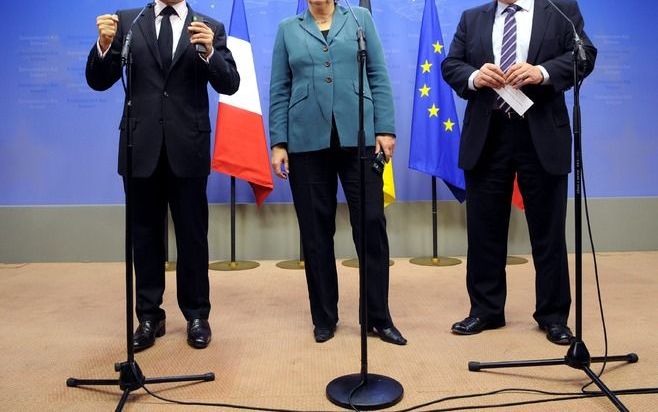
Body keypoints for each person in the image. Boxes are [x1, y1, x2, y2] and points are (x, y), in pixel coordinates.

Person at [86, 0, 239, 351]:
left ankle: (197, 315)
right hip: (141, 147)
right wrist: (105, 47)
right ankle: (149, 316)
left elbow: (230, 83)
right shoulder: (128, 21)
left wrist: (208, 54)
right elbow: (99, 81)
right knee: (145, 236)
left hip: (189, 146)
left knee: (192, 236)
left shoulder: (208, 25)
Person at [441, 0, 596, 345]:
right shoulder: (472, 18)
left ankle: (553, 316)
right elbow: (451, 65)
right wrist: (474, 76)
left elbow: (585, 55)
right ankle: (485, 310)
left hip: (540, 132)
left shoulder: (558, 10)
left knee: (548, 231)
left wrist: (541, 73)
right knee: (484, 230)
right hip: (488, 134)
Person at [269, 0, 406, 345]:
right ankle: (324, 317)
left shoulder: (359, 19)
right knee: (315, 231)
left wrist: (385, 128)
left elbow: (377, 73)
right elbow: (280, 88)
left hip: (358, 135)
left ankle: (377, 316)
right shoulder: (288, 28)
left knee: (371, 225)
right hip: (305, 141)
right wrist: (279, 142)